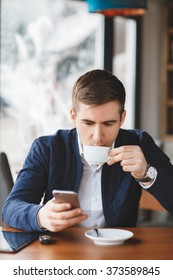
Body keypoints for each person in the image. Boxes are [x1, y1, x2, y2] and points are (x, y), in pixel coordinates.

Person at [2, 69, 173, 232]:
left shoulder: (139, 144)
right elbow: (10, 209)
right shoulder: (48, 148)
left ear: (122, 119)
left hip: (119, 253)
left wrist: (147, 174)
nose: (98, 137)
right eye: (88, 123)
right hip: (61, 250)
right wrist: (40, 216)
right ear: (73, 117)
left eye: (108, 123)